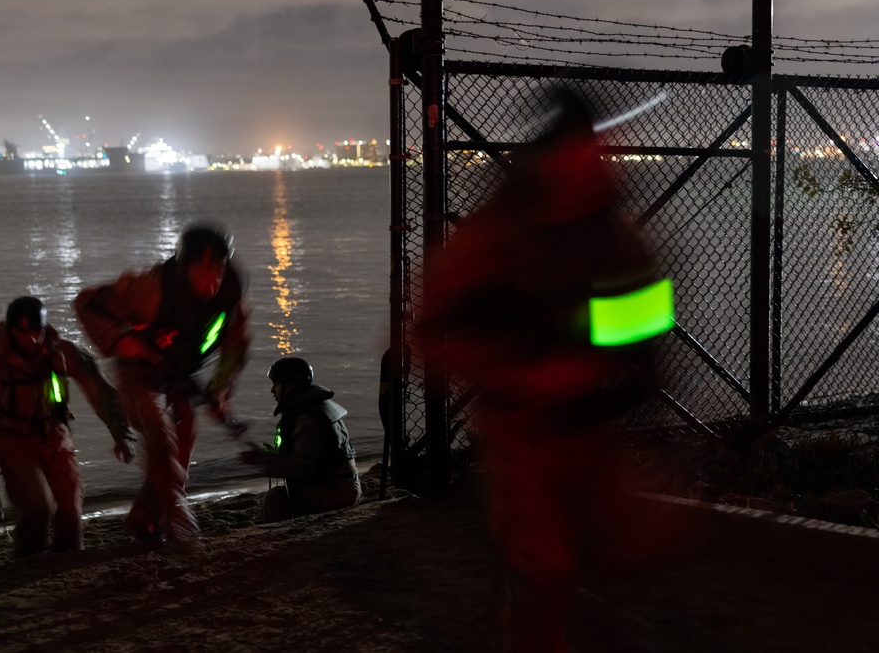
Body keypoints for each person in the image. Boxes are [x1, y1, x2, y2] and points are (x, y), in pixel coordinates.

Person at [417, 91, 671, 651]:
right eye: (585, 151)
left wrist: (597, 377)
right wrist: (514, 375)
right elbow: (426, 331)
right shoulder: (495, 237)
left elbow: (647, 344)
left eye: (600, 151)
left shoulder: (617, 241)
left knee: (627, 548)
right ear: (556, 155)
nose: (598, 164)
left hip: (591, 427)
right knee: (544, 566)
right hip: (523, 431)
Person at [74, 222, 250, 552]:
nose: (211, 280)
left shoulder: (229, 299)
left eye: (218, 270)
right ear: (184, 266)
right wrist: (130, 344)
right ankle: (183, 529)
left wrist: (220, 390)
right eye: (202, 270)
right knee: (160, 437)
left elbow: (235, 348)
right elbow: (87, 303)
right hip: (138, 374)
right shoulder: (149, 289)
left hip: (180, 375)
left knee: (182, 446)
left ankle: (144, 517)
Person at [0, 296, 136, 557]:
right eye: (22, 332)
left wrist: (122, 433)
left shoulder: (61, 352)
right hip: (12, 440)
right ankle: (28, 555)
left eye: (36, 332)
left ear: (44, 328)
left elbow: (100, 390)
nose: (31, 339)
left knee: (70, 507)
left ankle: (67, 556)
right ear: (10, 332)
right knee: (37, 505)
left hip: (54, 434)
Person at [239, 356, 361, 523]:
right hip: (340, 484)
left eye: (276, 384)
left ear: (290, 385)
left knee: (275, 499)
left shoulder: (308, 419)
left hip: (338, 490)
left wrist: (262, 459)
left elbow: (302, 466)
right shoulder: (312, 407)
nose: (272, 391)